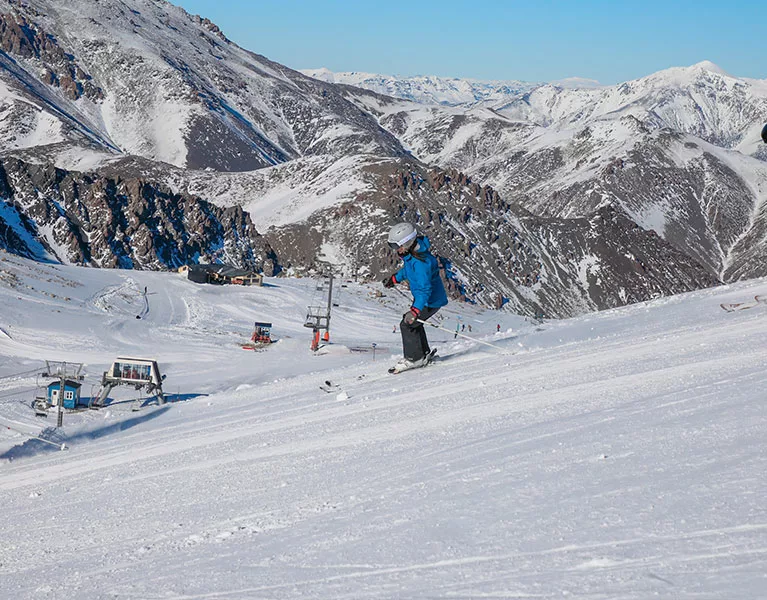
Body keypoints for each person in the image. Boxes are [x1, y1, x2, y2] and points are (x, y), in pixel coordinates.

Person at [382, 223, 447, 373]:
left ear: (407, 243)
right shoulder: (413, 256)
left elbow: (425, 289)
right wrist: (394, 279)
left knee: (407, 324)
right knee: (414, 324)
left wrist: (416, 310)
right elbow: (407, 271)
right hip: (424, 299)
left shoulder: (421, 263)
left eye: (397, 246)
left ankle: (414, 358)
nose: (396, 250)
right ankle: (422, 354)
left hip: (429, 300)